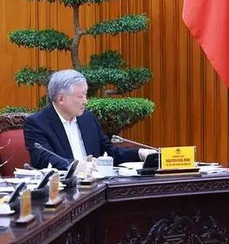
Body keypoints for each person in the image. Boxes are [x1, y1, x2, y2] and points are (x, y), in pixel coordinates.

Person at [23, 69, 152, 169]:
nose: (86, 101)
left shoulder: (88, 118)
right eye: (80, 97)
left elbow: (108, 152)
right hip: (64, 190)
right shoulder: (37, 123)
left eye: (86, 95)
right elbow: (44, 159)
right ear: (61, 98)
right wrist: (77, 166)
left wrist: (139, 154)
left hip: (97, 187)